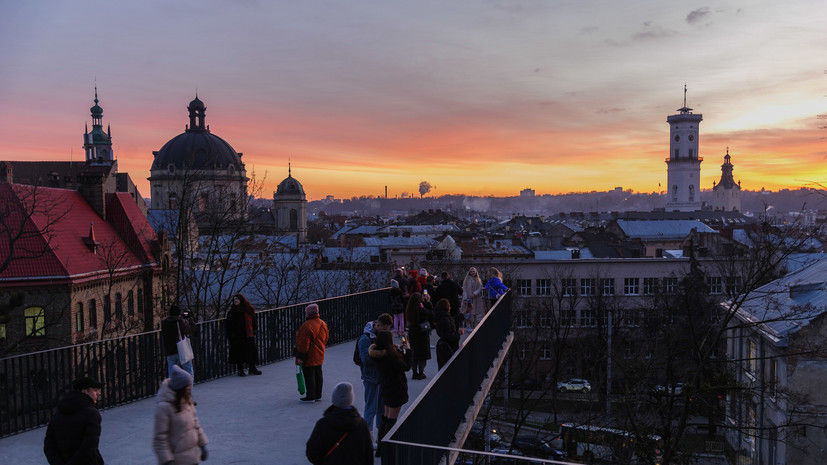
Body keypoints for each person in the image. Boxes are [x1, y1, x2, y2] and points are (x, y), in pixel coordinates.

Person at [305, 382, 373, 465]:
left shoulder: (323, 424)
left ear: (334, 399)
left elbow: (312, 453)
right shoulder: (362, 424)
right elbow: (368, 455)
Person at [369, 331, 412, 462]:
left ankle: (381, 449)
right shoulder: (390, 357)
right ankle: (388, 450)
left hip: (386, 388)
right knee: (391, 421)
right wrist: (408, 350)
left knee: (386, 418)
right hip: (395, 389)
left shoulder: (377, 354)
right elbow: (406, 366)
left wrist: (396, 350)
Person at [153, 365, 209, 465]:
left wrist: (203, 445)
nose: (190, 388)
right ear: (180, 388)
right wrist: (168, 461)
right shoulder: (164, 407)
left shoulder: (187, 400)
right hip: (177, 460)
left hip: (193, 458)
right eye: (188, 385)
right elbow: (160, 438)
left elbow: (196, 424)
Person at [44, 377, 105, 465]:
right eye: (95, 390)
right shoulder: (91, 413)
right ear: (85, 392)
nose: (98, 393)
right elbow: (89, 446)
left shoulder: (59, 412)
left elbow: (49, 444)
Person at [357, 313, 393, 436]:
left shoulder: (377, 336)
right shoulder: (365, 339)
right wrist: (384, 354)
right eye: (384, 330)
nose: (385, 333)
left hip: (381, 377)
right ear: (377, 325)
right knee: (371, 408)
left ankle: (380, 435)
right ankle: (368, 436)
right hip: (371, 377)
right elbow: (366, 359)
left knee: (381, 409)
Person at [296, 303, 330, 402]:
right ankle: (318, 395)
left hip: (309, 354)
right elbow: (326, 338)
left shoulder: (306, 326)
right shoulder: (323, 323)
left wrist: (300, 356)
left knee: (309, 375)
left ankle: (311, 395)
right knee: (318, 373)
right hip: (319, 352)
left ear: (308, 314)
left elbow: (303, 343)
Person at [225, 294, 262, 377]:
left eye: (237, 299)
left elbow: (253, 321)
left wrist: (255, 330)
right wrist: (231, 334)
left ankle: (252, 368)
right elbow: (229, 325)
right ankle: (240, 370)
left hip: (248, 334)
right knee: (239, 353)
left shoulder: (248, 310)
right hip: (238, 336)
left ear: (241, 300)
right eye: (234, 299)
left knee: (251, 351)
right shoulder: (232, 312)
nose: (235, 301)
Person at [405, 292, 433, 380]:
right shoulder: (420, 309)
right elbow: (430, 313)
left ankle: (414, 372)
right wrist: (428, 302)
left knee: (415, 353)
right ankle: (421, 372)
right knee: (422, 354)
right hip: (421, 333)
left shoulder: (409, 309)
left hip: (412, 332)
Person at [161, 304, 194, 379]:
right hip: (181, 350)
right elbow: (190, 330)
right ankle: (188, 390)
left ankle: (172, 390)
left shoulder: (164, 322)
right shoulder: (179, 322)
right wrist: (190, 319)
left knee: (171, 375)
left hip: (170, 351)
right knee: (189, 373)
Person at [434, 299, 463, 369]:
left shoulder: (442, 318)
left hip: (444, 348)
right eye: (449, 306)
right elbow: (448, 336)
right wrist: (458, 334)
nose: (450, 307)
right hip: (449, 349)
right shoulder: (445, 319)